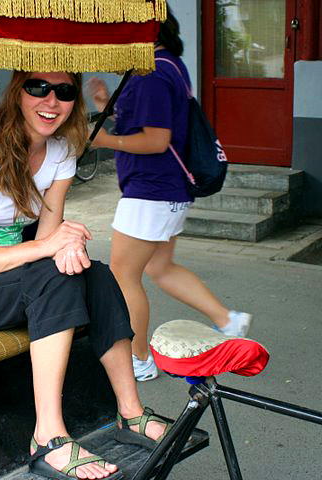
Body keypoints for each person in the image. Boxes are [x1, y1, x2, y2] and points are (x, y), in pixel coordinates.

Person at [0, 71, 167, 480]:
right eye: (37, 88)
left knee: (95, 273)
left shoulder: (60, 154)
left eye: (65, 91)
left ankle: (130, 411)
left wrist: (68, 245)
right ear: (16, 93)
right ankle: (49, 435)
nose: (51, 101)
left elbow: (48, 238)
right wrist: (51, 247)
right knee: (54, 275)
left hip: (12, 281)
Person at [86, 10, 252, 383]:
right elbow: (151, 129)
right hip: (166, 191)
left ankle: (139, 358)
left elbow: (157, 140)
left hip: (149, 192)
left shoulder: (152, 73)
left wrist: (103, 139)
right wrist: (104, 108)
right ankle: (229, 320)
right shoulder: (168, 66)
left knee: (122, 276)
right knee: (159, 268)